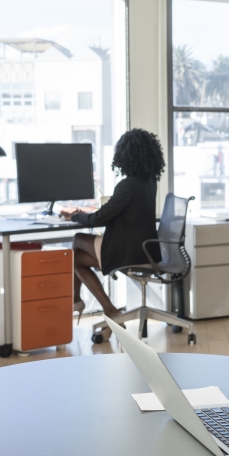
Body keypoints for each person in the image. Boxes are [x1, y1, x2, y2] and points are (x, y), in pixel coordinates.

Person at [60, 129, 165, 338]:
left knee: (78, 239)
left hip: (128, 251)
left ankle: (83, 302)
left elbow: (99, 218)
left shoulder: (128, 185)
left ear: (126, 155)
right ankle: (106, 310)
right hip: (144, 249)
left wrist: (74, 215)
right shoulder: (149, 182)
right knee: (75, 259)